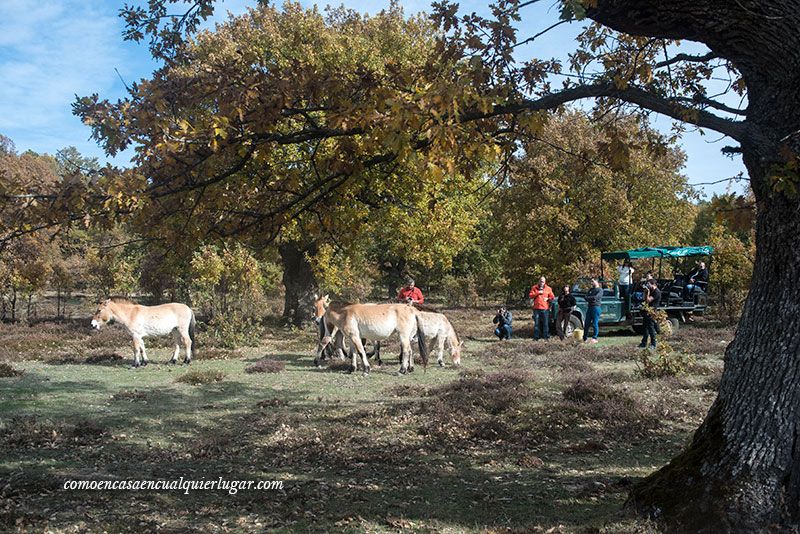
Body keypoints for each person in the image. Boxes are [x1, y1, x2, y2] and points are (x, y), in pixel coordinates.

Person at [529, 276, 555, 340]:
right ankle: (536, 337)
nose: (542, 282)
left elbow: (552, 297)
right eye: (541, 281)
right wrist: (538, 293)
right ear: (539, 281)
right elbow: (530, 295)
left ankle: (545, 336)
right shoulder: (534, 287)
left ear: (545, 282)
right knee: (537, 323)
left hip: (545, 308)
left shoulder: (548, 288)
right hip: (536, 308)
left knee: (545, 323)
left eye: (543, 281)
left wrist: (548, 299)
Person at [639, 279, 662, 349]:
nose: (648, 286)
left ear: (653, 284)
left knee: (651, 328)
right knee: (645, 328)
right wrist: (645, 292)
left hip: (652, 312)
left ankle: (653, 344)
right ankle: (644, 343)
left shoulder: (656, 292)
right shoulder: (650, 291)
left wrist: (648, 292)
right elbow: (644, 299)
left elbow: (648, 300)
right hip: (647, 311)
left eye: (649, 284)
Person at [583, 278, 603, 343]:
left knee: (595, 323)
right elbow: (585, 297)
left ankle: (595, 338)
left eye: (592, 281)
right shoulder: (591, 290)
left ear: (597, 282)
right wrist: (590, 298)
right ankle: (585, 338)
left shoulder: (600, 290)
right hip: (590, 307)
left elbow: (596, 298)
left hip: (596, 308)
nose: (591, 283)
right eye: (591, 281)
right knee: (586, 323)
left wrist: (589, 298)